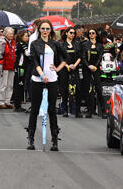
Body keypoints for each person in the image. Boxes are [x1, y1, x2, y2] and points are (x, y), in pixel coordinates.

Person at [25, 20, 65, 151]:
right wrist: (42, 75)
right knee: (35, 109)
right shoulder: (35, 44)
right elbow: (34, 61)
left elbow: (66, 57)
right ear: (39, 30)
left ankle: (54, 140)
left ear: (51, 30)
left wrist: (57, 68)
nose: (45, 31)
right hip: (38, 78)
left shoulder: (55, 44)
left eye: (47, 28)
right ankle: (30, 138)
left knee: (52, 109)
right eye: (43, 28)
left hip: (52, 79)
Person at [57, 27, 80, 117]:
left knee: (77, 89)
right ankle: (65, 110)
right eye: (70, 33)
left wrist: (74, 65)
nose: (72, 34)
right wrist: (67, 66)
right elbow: (60, 57)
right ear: (66, 33)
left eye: (74, 33)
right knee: (64, 89)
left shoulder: (77, 44)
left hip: (75, 68)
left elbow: (80, 56)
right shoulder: (61, 44)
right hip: (64, 68)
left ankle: (76, 111)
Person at [81, 28, 102, 118]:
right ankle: (89, 110)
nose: (91, 34)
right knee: (88, 90)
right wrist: (88, 66)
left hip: (96, 69)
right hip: (87, 69)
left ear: (96, 34)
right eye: (90, 33)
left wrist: (95, 66)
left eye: (93, 33)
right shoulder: (85, 44)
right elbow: (83, 57)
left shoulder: (100, 45)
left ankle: (103, 110)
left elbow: (100, 57)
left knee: (98, 89)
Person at [0, 27, 17, 110]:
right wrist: (1, 68)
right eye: (10, 34)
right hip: (5, 66)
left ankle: (7, 101)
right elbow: (1, 55)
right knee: (3, 85)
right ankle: (1, 102)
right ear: (5, 34)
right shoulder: (2, 42)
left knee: (10, 85)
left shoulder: (13, 42)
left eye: (12, 34)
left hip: (11, 66)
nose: (12, 35)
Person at [12, 29, 29, 112]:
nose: (27, 38)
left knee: (19, 85)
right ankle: (17, 105)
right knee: (19, 85)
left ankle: (17, 104)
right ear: (21, 37)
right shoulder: (22, 45)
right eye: (26, 36)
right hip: (20, 68)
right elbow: (27, 53)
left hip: (19, 67)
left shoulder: (18, 44)